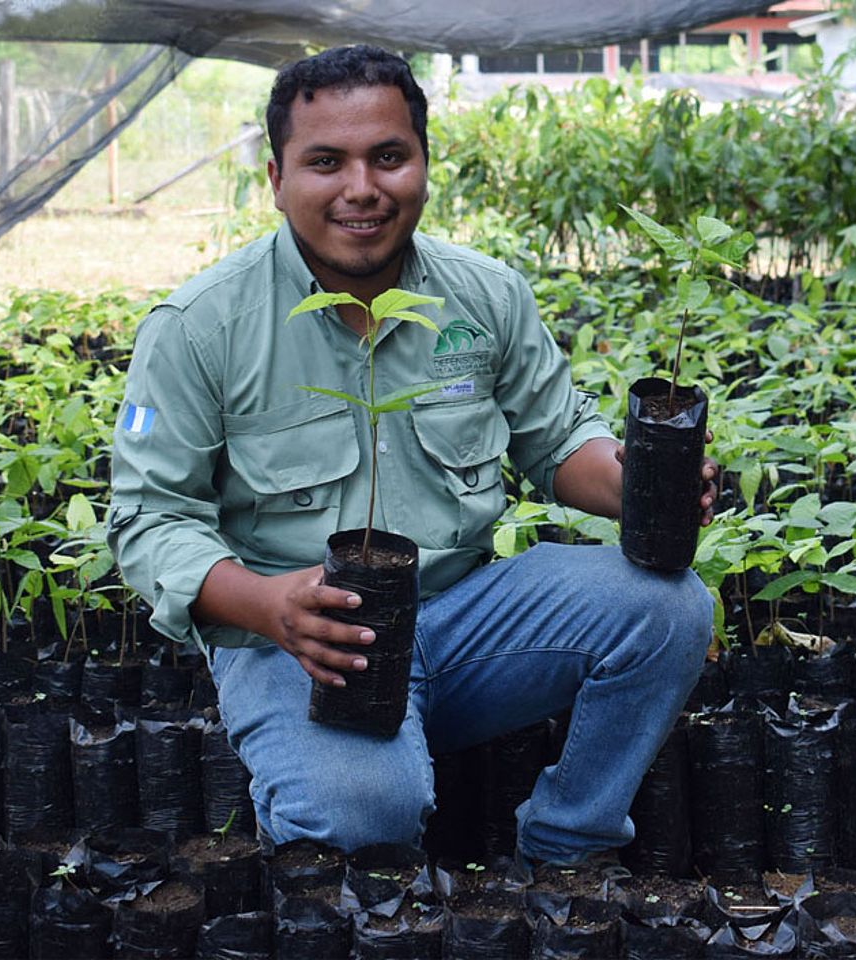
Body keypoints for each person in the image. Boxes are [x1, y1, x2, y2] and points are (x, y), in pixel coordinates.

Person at [108, 44, 717, 869]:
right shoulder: (202, 327)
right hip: (306, 647)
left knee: (667, 606)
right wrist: (266, 605)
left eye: (388, 157)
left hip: (469, 617)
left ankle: (568, 851)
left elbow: (558, 438)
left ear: (424, 166)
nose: (362, 188)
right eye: (326, 161)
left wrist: (645, 485)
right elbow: (151, 518)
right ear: (276, 181)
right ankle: (352, 785)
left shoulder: (483, 297)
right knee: (363, 812)